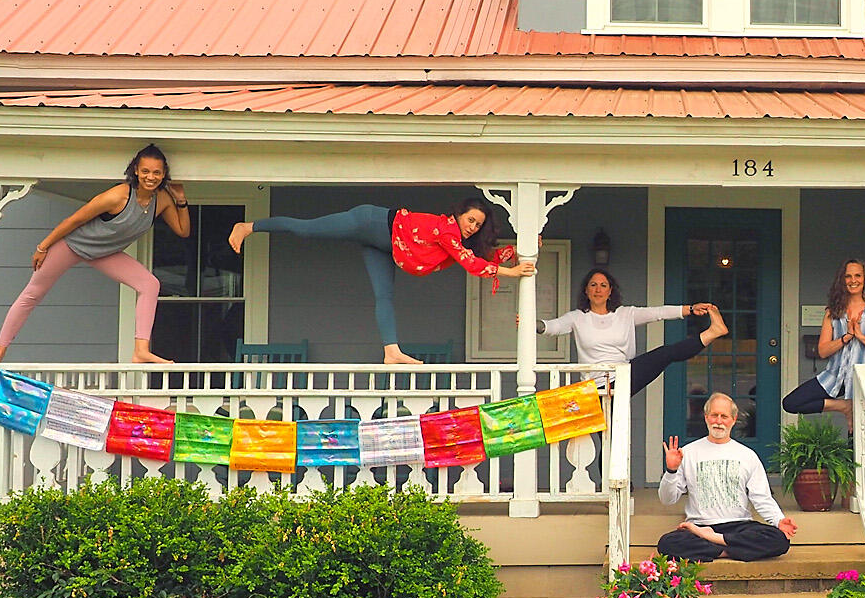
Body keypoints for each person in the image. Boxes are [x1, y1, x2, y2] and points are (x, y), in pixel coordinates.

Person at [228, 197, 536, 364]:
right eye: (471, 220)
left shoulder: (456, 242)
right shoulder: (446, 230)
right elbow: (472, 264)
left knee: (384, 296)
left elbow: (485, 257)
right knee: (308, 229)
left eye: (478, 225)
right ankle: (249, 226)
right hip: (370, 222)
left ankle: (391, 350)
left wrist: (529, 248)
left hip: (384, 245)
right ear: (458, 216)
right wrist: (511, 273)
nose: (472, 227)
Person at [0, 144, 189, 368]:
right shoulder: (118, 195)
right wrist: (43, 247)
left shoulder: (163, 200)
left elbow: (182, 230)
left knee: (150, 284)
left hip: (105, 253)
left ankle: (141, 350)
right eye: (146, 171)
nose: (151, 177)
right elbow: (75, 220)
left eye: (157, 172)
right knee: (33, 293)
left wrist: (180, 199)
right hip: (73, 245)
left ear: (163, 174)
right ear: (136, 171)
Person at [657, 392, 799, 562]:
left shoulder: (747, 455)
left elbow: (762, 498)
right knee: (667, 543)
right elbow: (667, 499)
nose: (718, 421)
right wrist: (671, 471)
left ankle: (716, 544)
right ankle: (734, 550)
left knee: (779, 540)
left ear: (734, 419)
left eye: (724, 416)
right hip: (700, 526)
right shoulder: (687, 452)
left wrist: (779, 520)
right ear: (706, 417)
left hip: (740, 525)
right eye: (714, 415)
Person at [536, 267, 728, 393]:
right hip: (594, 387)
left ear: (610, 291)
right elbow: (553, 327)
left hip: (623, 376)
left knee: (665, 353)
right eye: (593, 285)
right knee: (608, 437)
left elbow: (658, 313)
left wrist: (691, 309)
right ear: (586, 290)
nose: (598, 289)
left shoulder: (626, 314)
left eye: (603, 285)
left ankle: (713, 332)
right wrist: (532, 323)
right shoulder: (577, 317)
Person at [782, 258, 865, 416]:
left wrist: (861, 336)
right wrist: (845, 337)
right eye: (848, 276)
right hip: (834, 376)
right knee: (791, 402)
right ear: (842, 280)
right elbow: (823, 351)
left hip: (863, 380)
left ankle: (851, 412)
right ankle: (844, 407)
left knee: (855, 436)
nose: (853, 280)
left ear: (864, 279)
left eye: (858, 276)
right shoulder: (832, 312)